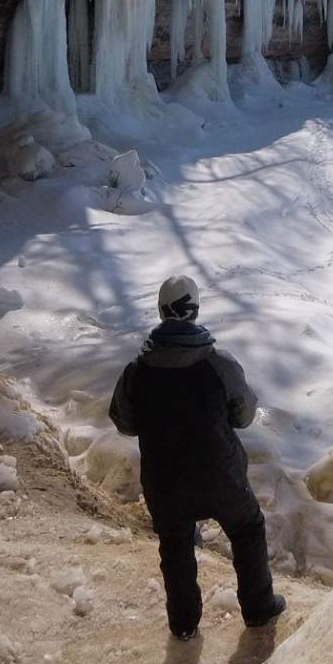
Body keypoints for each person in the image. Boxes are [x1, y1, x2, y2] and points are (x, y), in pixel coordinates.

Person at [109, 274, 286, 640]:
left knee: (175, 544)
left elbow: (123, 422)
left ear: (161, 312)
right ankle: (257, 608)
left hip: (164, 482)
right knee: (246, 527)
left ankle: (184, 623)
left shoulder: (137, 371)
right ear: (194, 310)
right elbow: (244, 415)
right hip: (220, 476)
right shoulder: (218, 364)